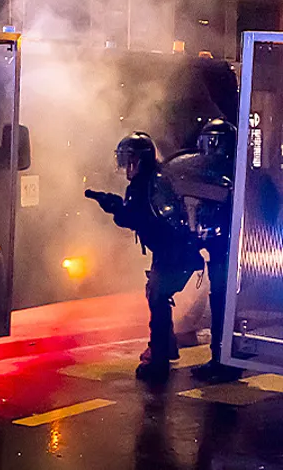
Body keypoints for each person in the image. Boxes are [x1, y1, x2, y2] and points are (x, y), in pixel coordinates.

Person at [86, 132, 202, 381]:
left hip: (174, 250)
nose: (125, 165)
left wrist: (114, 206)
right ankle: (166, 346)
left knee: (158, 297)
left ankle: (158, 359)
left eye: (129, 159)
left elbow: (137, 218)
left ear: (140, 159)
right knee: (156, 294)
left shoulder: (148, 184)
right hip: (172, 249)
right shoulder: (156, 179)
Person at [168, 119, 244, 383]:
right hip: (220, 249)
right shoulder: (220, 174)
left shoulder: (234, 176)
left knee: (224, 304)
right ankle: (220, 358)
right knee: (220, 301)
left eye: (212, 142)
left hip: (231, 251)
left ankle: (226, 362)